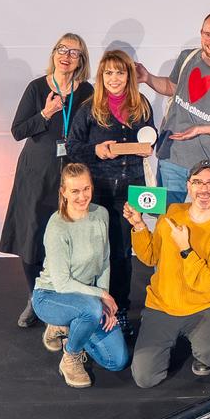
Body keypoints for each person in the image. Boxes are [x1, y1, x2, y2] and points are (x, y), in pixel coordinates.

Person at [0, 33, 93, 327]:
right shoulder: (37, 87)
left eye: (74, 53)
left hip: (71, 174)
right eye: (62, 50)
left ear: (81, 61)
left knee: (67, 239)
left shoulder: (87, 92)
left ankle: (64, 299)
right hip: (37, 172)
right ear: (54, 54)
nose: (66, 56)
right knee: (31, 235)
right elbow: (18, 130)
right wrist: (46, 112)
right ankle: (35, 297)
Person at [123, 160, 210, 388]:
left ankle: (208, 335)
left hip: (202, 306)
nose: (204, 189)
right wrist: (138, 225)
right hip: (163, 304)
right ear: (188, 186)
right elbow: (150, 257)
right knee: (145, 378)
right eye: (197, 182)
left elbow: (208, 282)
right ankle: (161, 332)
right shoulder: (172, 213)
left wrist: (186, 248)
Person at [67, 50, 155, 335]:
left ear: (129, 76)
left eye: (120, 72)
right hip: (99, 190)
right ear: (101, 76)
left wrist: (150, 144)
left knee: (121, 252)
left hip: (131, 190)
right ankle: (91, 309)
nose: (114, 78)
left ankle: (122, 311)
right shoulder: (89, 108)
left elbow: (150, 138)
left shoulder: (141, 105)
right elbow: (72, 146)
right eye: (108, 73)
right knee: (94, 252)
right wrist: (96, 150)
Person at [135, 11, 210, 205]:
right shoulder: (187, 57)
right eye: (208, 34)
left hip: (208, 168)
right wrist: (148, 78)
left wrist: (202, 129)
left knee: (206, 229)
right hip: (171, 158)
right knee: (168, 223)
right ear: (201, 32)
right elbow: (172, 87)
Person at [31, 163, 129, 388]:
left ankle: (69, 325)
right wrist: (100, 297)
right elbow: (63, 284)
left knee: (117, 361)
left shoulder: (100, 214)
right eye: (74, 191)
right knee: (91, 310)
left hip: (87, 297)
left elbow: (104, 261)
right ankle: (70, 354)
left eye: (86, 189)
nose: (82, 196)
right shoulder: (57, 227)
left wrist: (104, 298)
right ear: (63, 192)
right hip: (51, 295)